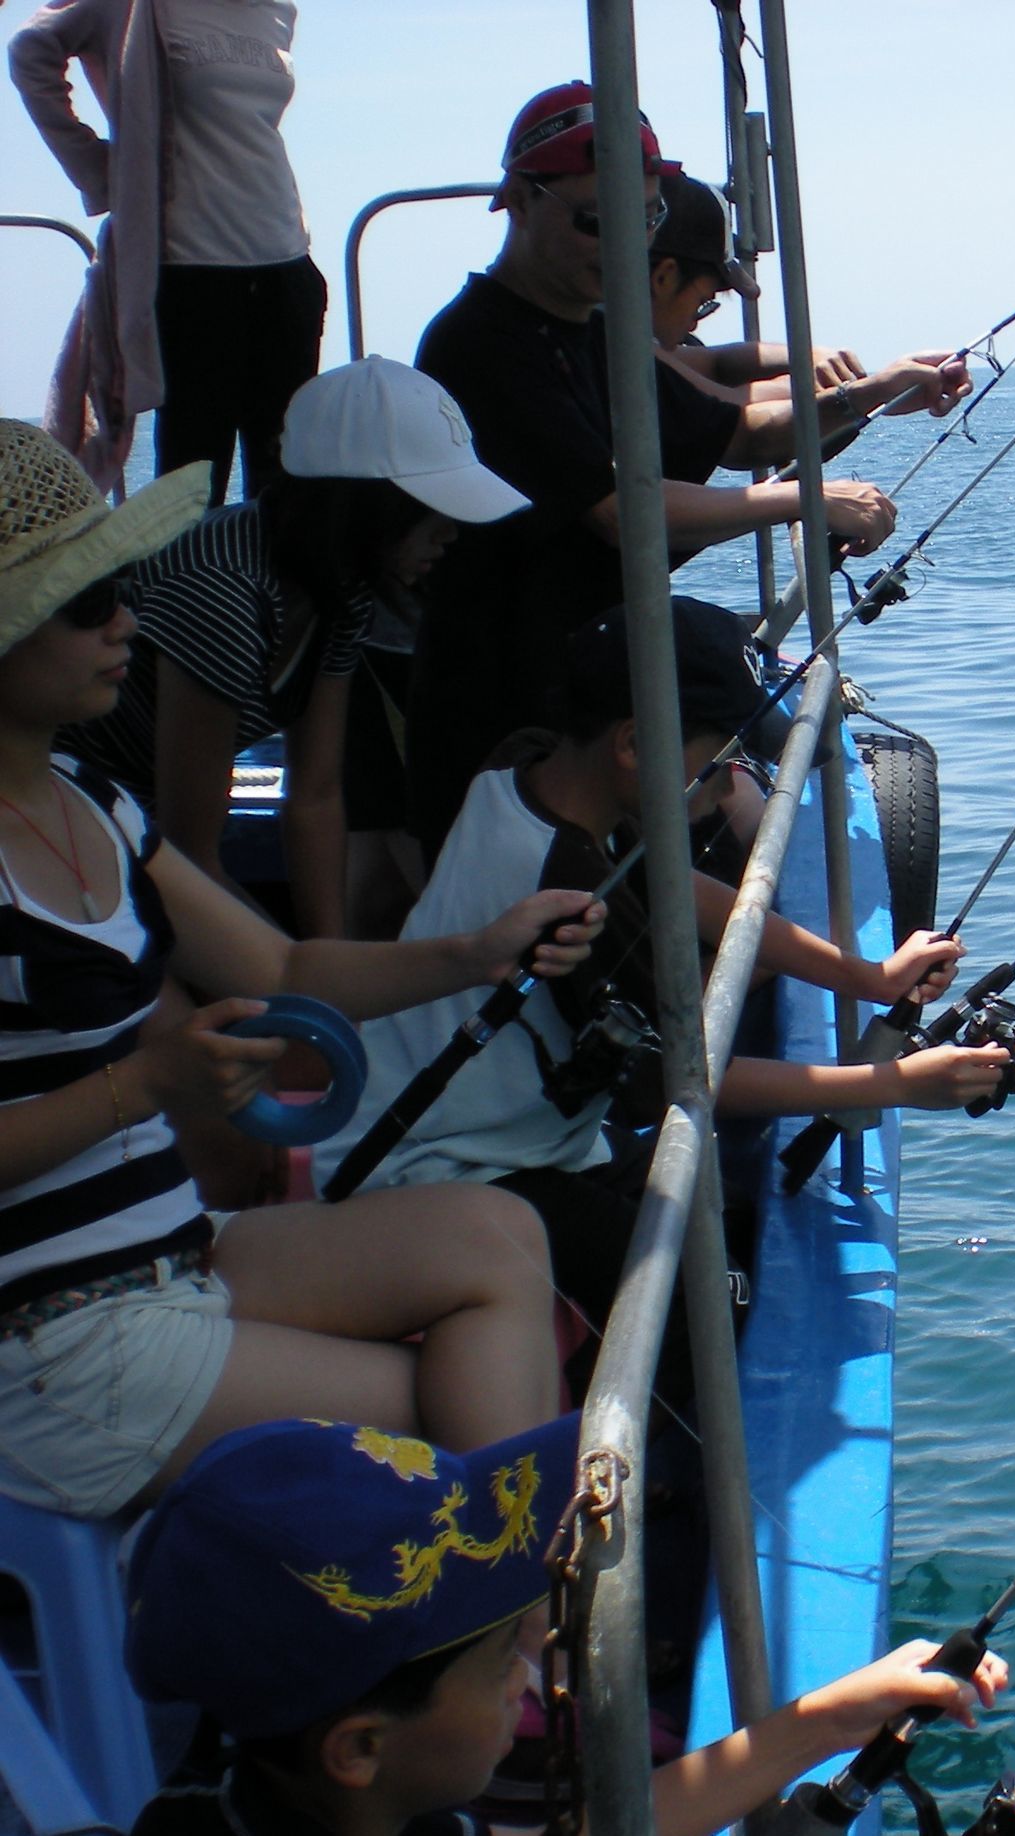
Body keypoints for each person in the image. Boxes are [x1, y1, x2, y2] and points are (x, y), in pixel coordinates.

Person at [0, 420, 603, 1519]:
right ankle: (514, 1657)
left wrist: (474, 952)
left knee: (498, 1230)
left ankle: (498, 1644)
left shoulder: (99, 802)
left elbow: (283, 964)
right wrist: (149, 1086)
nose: (127, 620)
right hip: (47, 1339)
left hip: (172, 1260)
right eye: (90, 602)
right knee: (453, 1408)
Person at [316, 597, 1004, 1384]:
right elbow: (682, 1079)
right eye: (719, 767)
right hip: (441, 1174)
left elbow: (672, 882)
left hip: (483, 1134)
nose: (727, 791)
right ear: (636, 746)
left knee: (719, 1210)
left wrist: (863, 975)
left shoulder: (531, 765)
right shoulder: (565, 899)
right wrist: (894, 1083)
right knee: (719, 1297)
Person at [403, 82, 969, 852]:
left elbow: (737, 431)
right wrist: (807, 499)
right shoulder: (481, 344)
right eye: (597, 222)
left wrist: (879, 393)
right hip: (495, 709)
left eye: (643, 221)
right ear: (520, 200)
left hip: (583, 687)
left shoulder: (594, 332)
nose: (623, 248)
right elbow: (620, 511)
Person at [124, 1415, 1011, 1836]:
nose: (531, 1669)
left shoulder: (279, 1809)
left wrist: (829, 1719)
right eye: (498, 1658)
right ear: (358, 1748)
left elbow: (607, 1829)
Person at [63, 358, 527, 939]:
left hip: (136, 820)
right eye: (431, 509)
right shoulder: (223, 596)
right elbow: (187, 852)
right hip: (71, 809)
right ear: (363, 506)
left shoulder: (342, 589)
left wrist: (329, 955)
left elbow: (315, 795)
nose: (451, 531)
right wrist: (306, 984)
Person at [11, 0, 325, 498]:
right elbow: (30, 52)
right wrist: (98, 170)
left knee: (286, 479)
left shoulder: (277, 10)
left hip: (287, 262)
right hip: (190, 272)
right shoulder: (137, 7)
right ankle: (185, 579)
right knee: (191, 486)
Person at [647, 172, 968, 422]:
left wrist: (827, 364)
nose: (695, 324)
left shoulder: (642, 350)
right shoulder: (611, 358)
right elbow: (730, 416)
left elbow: (717, 366)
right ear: (664, 278)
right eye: (703, 301)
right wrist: (869, 392)